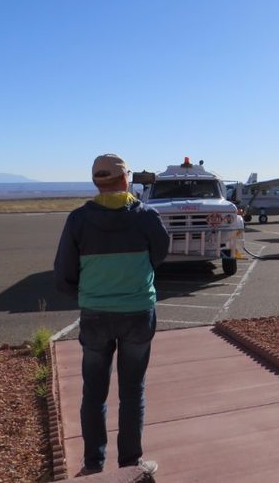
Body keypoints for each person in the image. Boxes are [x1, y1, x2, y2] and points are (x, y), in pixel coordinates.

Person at [54, 154, 169, 477]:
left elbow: (63, 271)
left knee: (94, 392)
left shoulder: (77, 220)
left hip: (95, 314)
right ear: (126, 179)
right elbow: (160, 253)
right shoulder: (146, 217)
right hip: (137, 312)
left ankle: (94, 463)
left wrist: (86, 292)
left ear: (96, 182)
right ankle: (130, 463)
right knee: (132, 392)